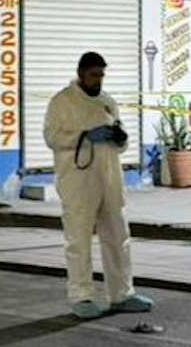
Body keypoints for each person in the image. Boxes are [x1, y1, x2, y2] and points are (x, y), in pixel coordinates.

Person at [42, 51, 153, 320]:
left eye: (102, 75)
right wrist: (84, 136)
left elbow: (122, 142)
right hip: (79, 181)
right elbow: (52, 137)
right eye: (94, 75)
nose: (98, 80)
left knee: (118, 236)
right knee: (78, 239)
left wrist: (120, 138)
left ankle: (122, 294)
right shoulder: (62, 101)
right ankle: (81, 296)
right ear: (81, 73)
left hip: (110, 179)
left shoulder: (107, 102)